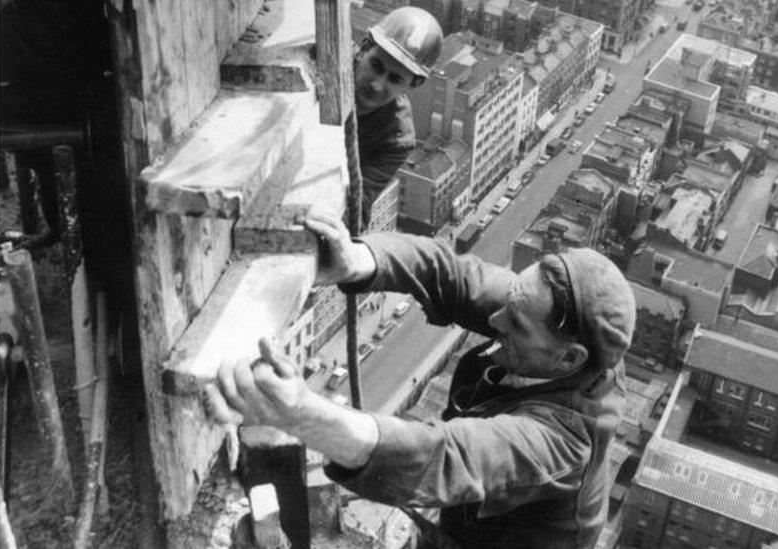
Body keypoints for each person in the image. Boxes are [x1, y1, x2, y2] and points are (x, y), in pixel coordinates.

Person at [205, 212, 636, 548]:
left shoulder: (564, 442)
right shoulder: (545, 320)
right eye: (508, 303)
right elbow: (443, 270)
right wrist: (356, 260)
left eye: (517, 324)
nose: (495, 318)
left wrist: (301, 414)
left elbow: (444, 457)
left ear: (570, 358)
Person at [353, 7, 442, 227]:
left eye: (394, 79)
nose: (377, 84)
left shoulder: (396, 139)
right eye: (376, 65)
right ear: (364, 47)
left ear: (415, 84)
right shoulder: (327, 61)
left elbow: (357, 207)